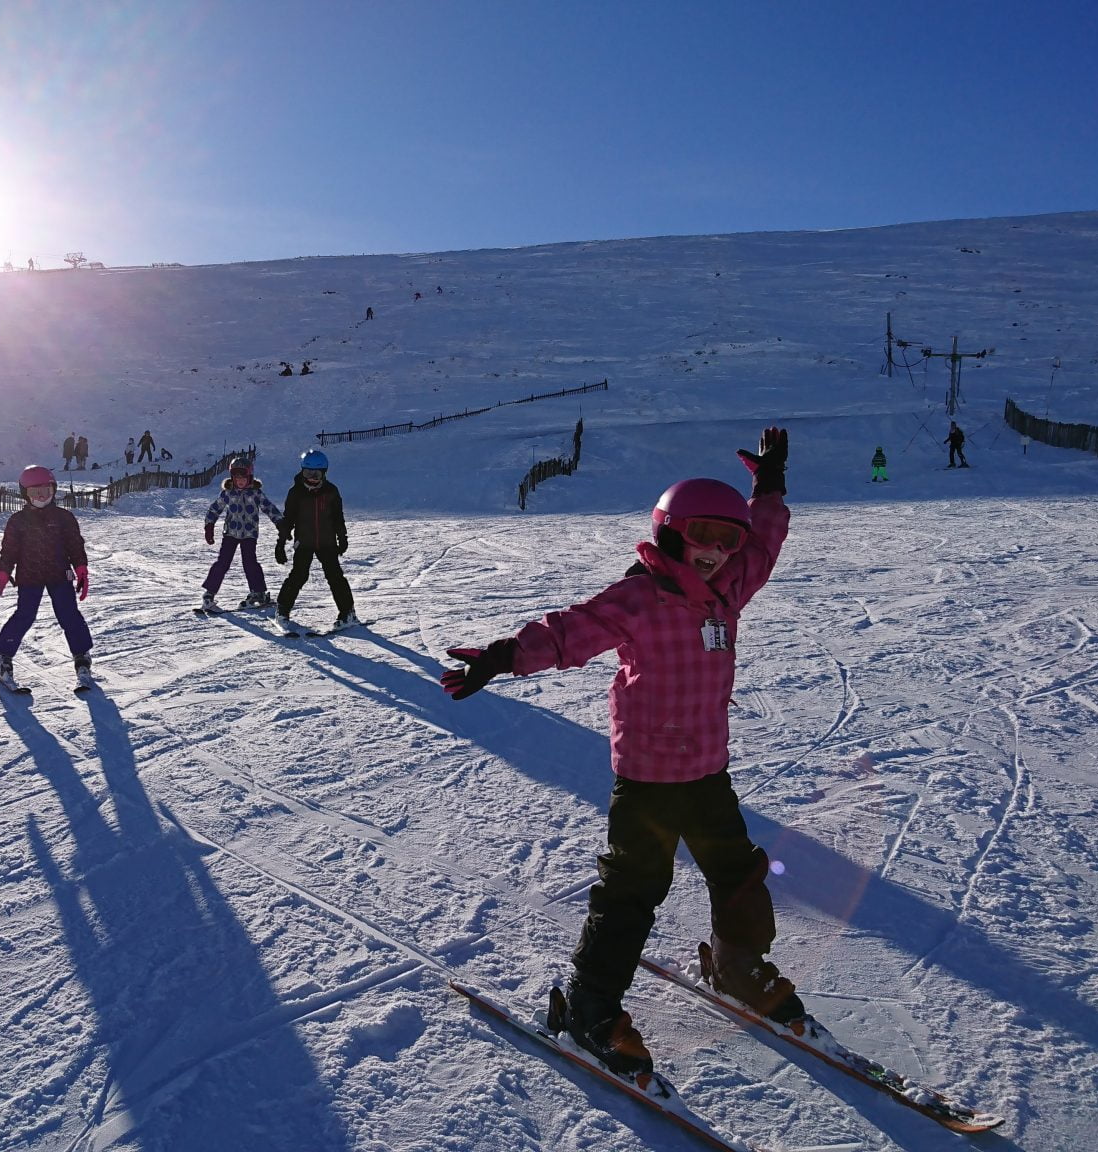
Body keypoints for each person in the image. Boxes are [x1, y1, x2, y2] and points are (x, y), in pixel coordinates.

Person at [438, 428, 798, 1080]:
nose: (717, 553)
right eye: (702, 537)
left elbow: (767, 541)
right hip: (650, 781)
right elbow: (568, 631)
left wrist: (768, 486)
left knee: (739, 870)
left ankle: (738, 964)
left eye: (728, 540)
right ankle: (587, 1008)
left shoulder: (726, 592)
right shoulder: (638, 598)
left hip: (708, 771)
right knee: (633, 893)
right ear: (669, 533)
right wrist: (503, 656)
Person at [0, 465, 93, 689]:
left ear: (54, 490)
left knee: (69, 616)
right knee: (25, 616)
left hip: (60, 574)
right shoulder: (18, 521)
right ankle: (2, 657)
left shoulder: (64, 518)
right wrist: (3, 575)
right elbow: (9, 551)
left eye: (46, 490)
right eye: (35, 492)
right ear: (25, 494)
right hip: (30, 575)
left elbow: (75, 546)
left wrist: (81, 569)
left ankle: (82, 658)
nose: (42, 496)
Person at [273, 449, 357, 632]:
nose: (312, 477)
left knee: (335, 576)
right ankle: (282, 610)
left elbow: (338, 517)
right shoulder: (296, 493)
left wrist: (342, 537)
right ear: (302, 472)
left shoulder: (331, 492)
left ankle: (347, 612)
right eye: (308, 473)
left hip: (327, 542)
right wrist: (280, 543)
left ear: (324, 473)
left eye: (316, 474)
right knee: (299, 575)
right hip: (304, 542)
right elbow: (289, 519)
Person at [200, 457, 284, 613]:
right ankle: (209, 593)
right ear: (232, 477)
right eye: (236, 477)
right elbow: (214, 509)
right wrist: (209, 526)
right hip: (230, 534)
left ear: (249, 477)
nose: (239, 481)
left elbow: (270, 508)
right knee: (222, 563)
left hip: (249, 535)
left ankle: (258, 592)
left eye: (243, 477)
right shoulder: (228, 493)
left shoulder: (256, 493)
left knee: (250, 563)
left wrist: (281, 524)